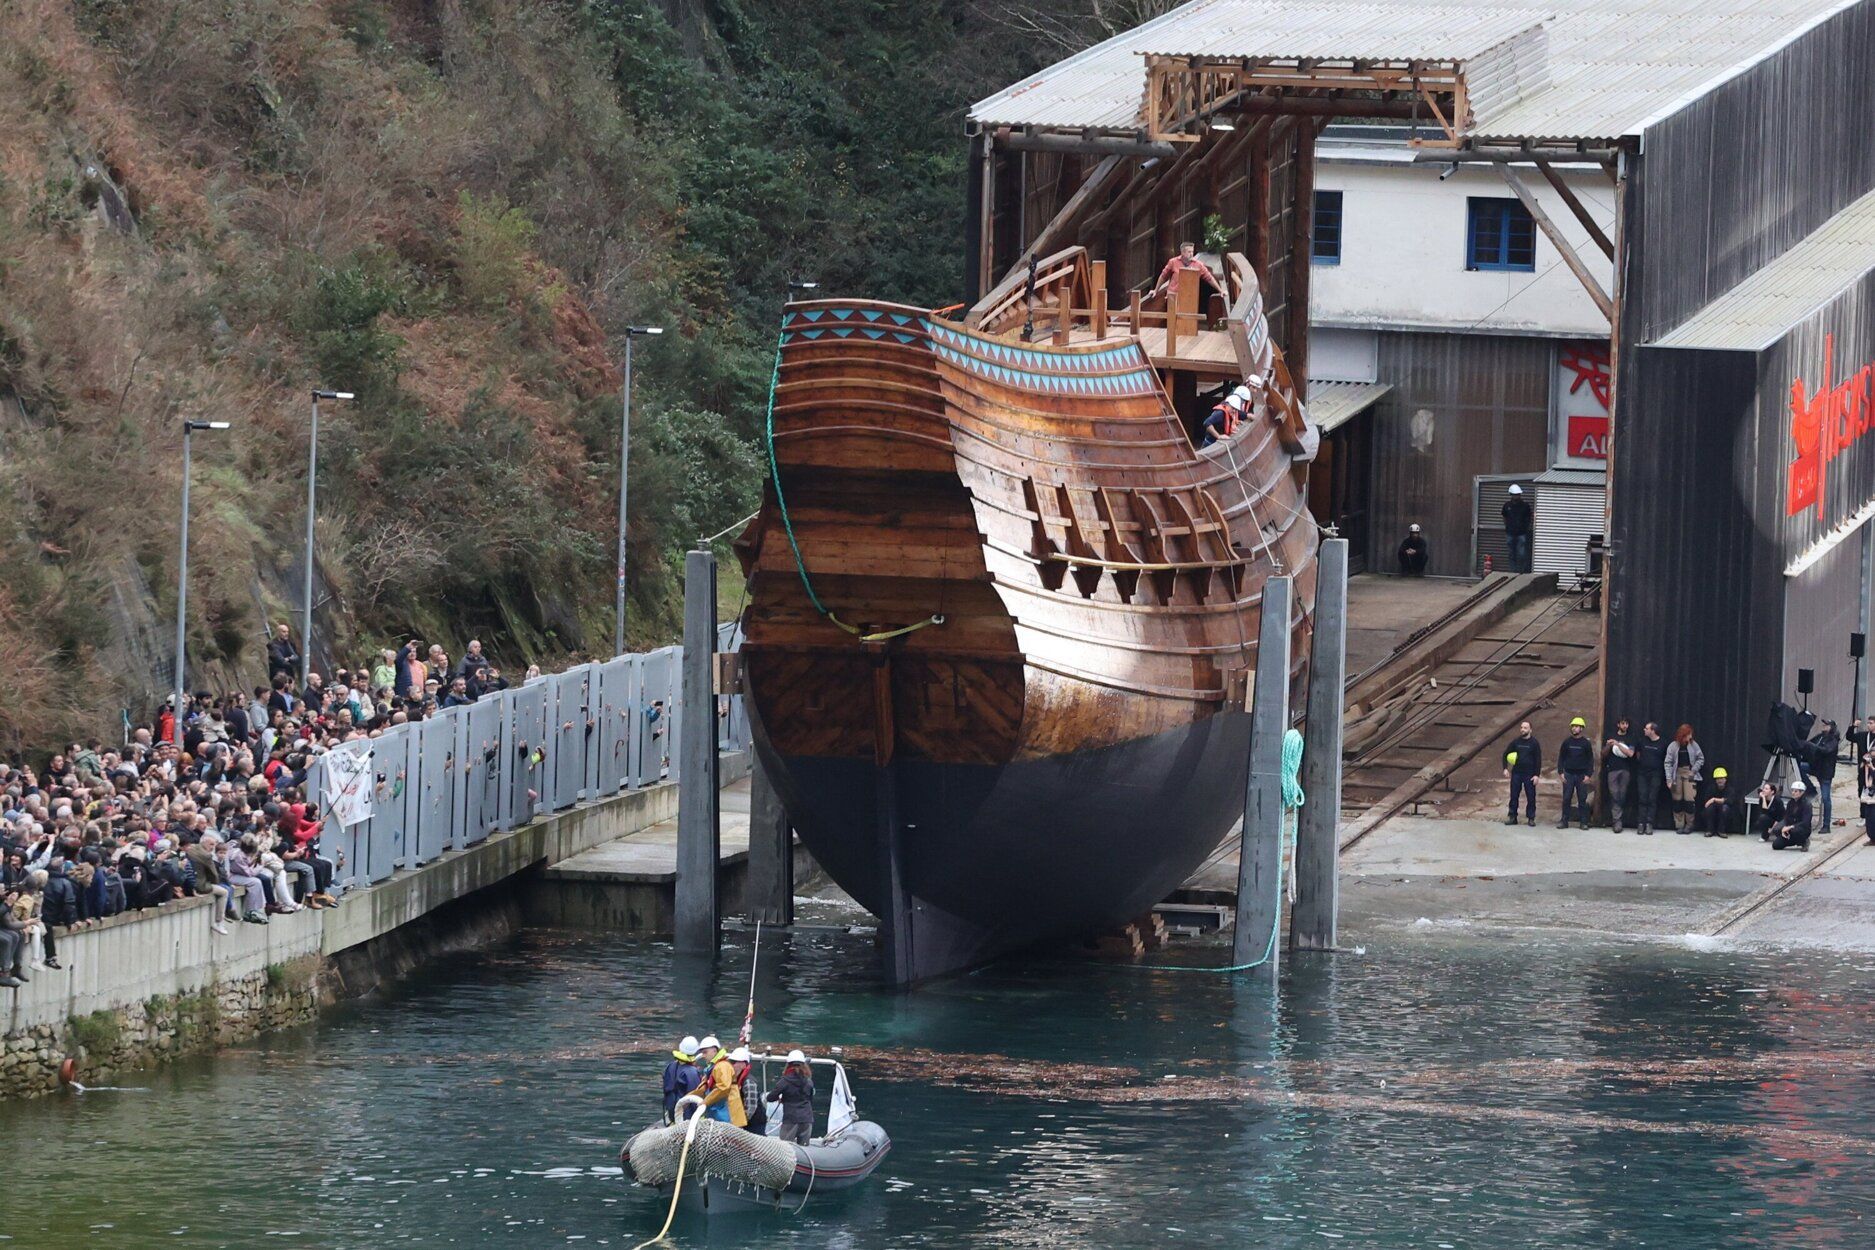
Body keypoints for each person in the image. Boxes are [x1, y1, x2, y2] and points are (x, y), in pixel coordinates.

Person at [693, 1036, 747, 1127]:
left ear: (714, 1050)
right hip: (718, 1114)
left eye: (705, 1052)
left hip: (727, 1116)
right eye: (702, 1053)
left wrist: (705, 1102)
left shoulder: (722, 1066)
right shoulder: (712, 1068)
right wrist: (688, 1098)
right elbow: (703, 1088)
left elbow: (724, 1088)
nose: (703, 1056)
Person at [766, 1049, 816, 1145]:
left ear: (788, 1065)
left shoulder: (784, 1081)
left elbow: (770, 1098)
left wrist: (782, 1098)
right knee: (804, 1148)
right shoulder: (809, 1081)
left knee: (786, 1147)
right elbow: (810, 1099)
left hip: (791, 1119)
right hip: (807, 1119)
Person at [1664, 724, 1705, 834]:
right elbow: (1668, 763)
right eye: (1688, 734)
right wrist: (1669, 779)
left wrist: (1694, 770)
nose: (1690, 736)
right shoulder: (1673, 746)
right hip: (1676, 774)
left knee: (1689, 799)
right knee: (1677, 799)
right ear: (1683, 735)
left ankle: (1689, 824)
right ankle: (1679, 824)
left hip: (1689, 773)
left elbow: (1701, 758)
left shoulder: (1693, 745)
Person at [1151, 241, 1225, 301]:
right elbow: (1163, 276)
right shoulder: (1173, 262)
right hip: (1173, 296)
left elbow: (1209, 278)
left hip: (1190, 297)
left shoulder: (1198, 265)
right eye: (1189, 252)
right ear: (1182, 252)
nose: (1191, 254)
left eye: (1192, 252)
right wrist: (1155, 290)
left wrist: (1220, 290)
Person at [1556, 716, 1595, 829]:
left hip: (1581, 775)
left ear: (1581, 728)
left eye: (1577, 726)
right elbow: (1561, 757)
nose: (1574, 728)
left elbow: (1590, 760)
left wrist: (1588, 775)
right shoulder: (1567, 742)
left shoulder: (1585, 743)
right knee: (1566, 798)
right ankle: (1564, 821)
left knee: (1582, 799)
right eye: (1573, 726)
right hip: (1568, 774)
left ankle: (1583, 822)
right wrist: (1561, 772)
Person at [1802, 718, 1840, 833]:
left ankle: (1826, 825)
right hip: (1815, 767)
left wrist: (1811, 746)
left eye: (1826, 725)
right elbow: (1809, 744)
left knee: (1826, 798)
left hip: (1825, 773)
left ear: (1832, 727)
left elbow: (1825, 750)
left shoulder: (1833, 740)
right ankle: (1811, 789)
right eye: (1823, 725)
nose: (1824, 726)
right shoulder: (1820, 737)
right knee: (1799, 766)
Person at [1502, 721, 1541, 827]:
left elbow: (1538, 760)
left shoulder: (1534, 743)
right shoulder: (1516, 742)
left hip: (1529, 774)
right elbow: (1505, 754)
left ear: (1530, 730)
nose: (1523, 729)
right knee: (1514, 796)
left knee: (1531, 797)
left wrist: (1536, 775)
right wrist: (1505, 768)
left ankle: (1531, 818)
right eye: (1521, 727)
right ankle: (1512, 817)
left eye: (1525, 728)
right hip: (1517, 773)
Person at [1602, 717, 1636, 832]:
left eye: (1626, 724)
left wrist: (1618, 744)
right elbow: (1603, 754)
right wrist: (1608, 745)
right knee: (1614, 794)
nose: (1625, 726)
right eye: (1623, 723)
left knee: (1622, 795)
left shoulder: (1631, 738)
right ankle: (1616, 821)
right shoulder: (1610, 736)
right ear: (1618, 725)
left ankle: (1621, 819)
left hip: (1625, 770)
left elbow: (1630, 753)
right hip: (1612, 770)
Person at [1633, 722, 1667, 835]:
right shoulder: (1641, 741)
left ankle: (1649, 823)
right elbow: (1637, 754)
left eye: (1646, 728)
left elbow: (1665, 758)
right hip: (1642, 774)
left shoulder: (1662, 743)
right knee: (1642, 798)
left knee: (1652, 798)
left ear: (1653, 731)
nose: (1644, 730)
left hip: (1656, 774)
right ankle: (1641, 823)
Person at [661, 1036, 701, 1125]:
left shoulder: (671, 1066)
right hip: (686, 1117)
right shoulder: (692, 1072)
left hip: (672, 1112)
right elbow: (695, 1095)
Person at [1768, 780, 1813, 851]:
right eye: (1792, 791)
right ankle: (1791, 840)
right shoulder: (1790, 803)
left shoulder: (1807, 804)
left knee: (1795, 831)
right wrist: (1784, 828)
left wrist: (1791, 827)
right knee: (1776, 843)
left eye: (1796, 791)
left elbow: (1805, 822)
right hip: (1789, 828)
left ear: (1801, 792)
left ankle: (1804, 841)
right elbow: (1786, 816)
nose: (1793, 793)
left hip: (1801, 829)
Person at [1698, 767, 1740, 836]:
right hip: (1714, 808)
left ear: (1725, 779)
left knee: (1725, 808)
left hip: (1726, 811)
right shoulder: (1711, 788)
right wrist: (1714, 801)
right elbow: (1706, 802)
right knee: (1709, 809)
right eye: (1718, 779)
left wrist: (1714, 799)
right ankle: (1710, 830)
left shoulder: (1730, 789)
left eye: (1722, 778)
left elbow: (1729, 801)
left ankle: (1721, 831)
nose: (1720, 781)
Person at [1502, 484, 1533, 572]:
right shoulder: (1507, 505)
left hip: (1521, 533)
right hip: (1510, 533)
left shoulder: (1525, 506)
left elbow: (1529, 518)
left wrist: (1526, 528)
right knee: (1511, 553)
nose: (1517, 496)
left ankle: (1521, 571)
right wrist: (1508, 527)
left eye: (1518, 494)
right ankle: (1513, 571)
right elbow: (1504, 517)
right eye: (1515, 495)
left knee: (1521, 554)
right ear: (1511, 495)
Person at [1860, 746, 1875, 846]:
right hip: (1868, 793)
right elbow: (1862, 776)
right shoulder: (1867, 763)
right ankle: (1872, 838)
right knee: (1869, 817)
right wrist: (1865, 765)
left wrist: (1872, 768)